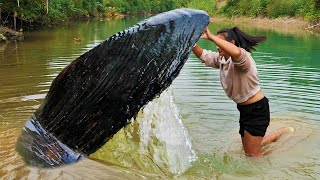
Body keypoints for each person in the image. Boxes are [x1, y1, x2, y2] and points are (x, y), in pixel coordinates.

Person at [192, 27, 293, 157]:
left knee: (252, 157)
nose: (217, 46)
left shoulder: (244, 59)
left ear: (232, 43)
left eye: (218, 42)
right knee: (247, 150)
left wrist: (211, 37)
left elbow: (237, 54)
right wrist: (190, 43)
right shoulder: (222, 59)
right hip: (245, 110)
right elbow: (204, 56)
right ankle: (282, 133)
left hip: (257, 110)